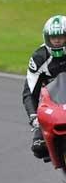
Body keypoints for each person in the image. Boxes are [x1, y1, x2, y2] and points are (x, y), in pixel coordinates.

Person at [23, 15, 66, 159]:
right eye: (53, 38)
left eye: (61, 36)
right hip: (53, 104)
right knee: (39, 148)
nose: (57, 41)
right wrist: (34, 117)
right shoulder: (39, 58)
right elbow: (29, 90)